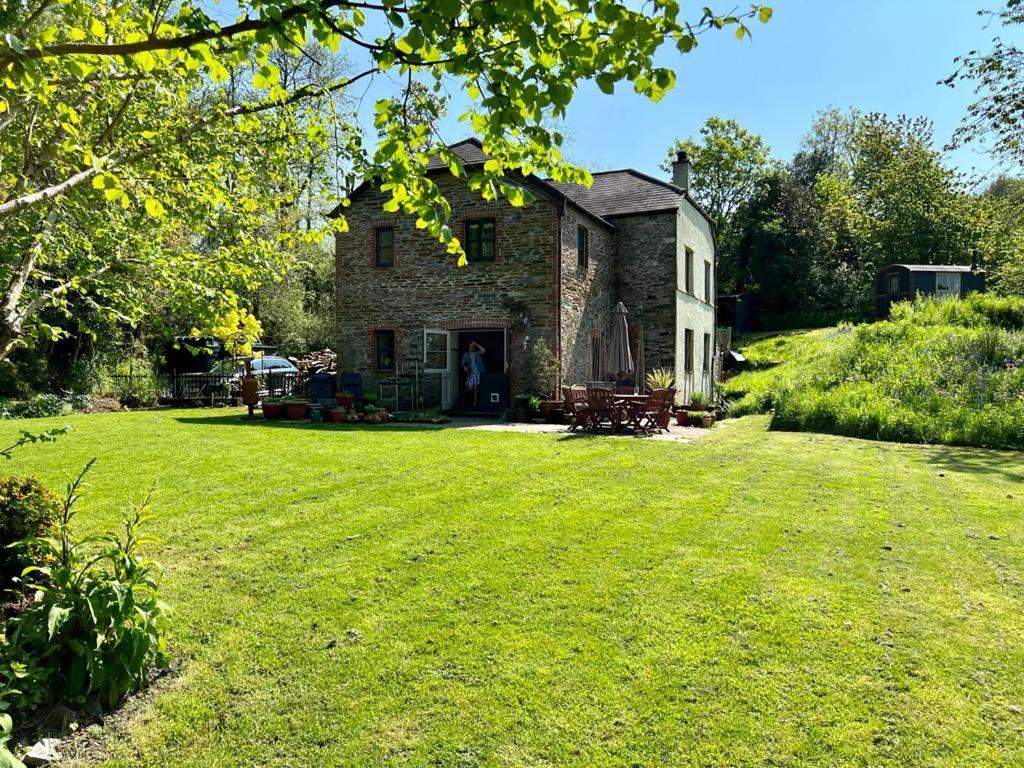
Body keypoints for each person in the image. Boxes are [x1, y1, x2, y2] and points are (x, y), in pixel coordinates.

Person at [461, 341, 486, 407]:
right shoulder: (466, 355)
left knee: (475, 388)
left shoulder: (477, 353)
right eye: (470, 346)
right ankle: (467, 400)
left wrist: (476, 344)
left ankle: (475, 402)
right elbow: (462, 363)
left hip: (478, 372)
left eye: (472, 347)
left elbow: (483, 350)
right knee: (469, 388)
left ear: (474, 348)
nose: (471, 348)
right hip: (471, 373)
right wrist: (464, 366)